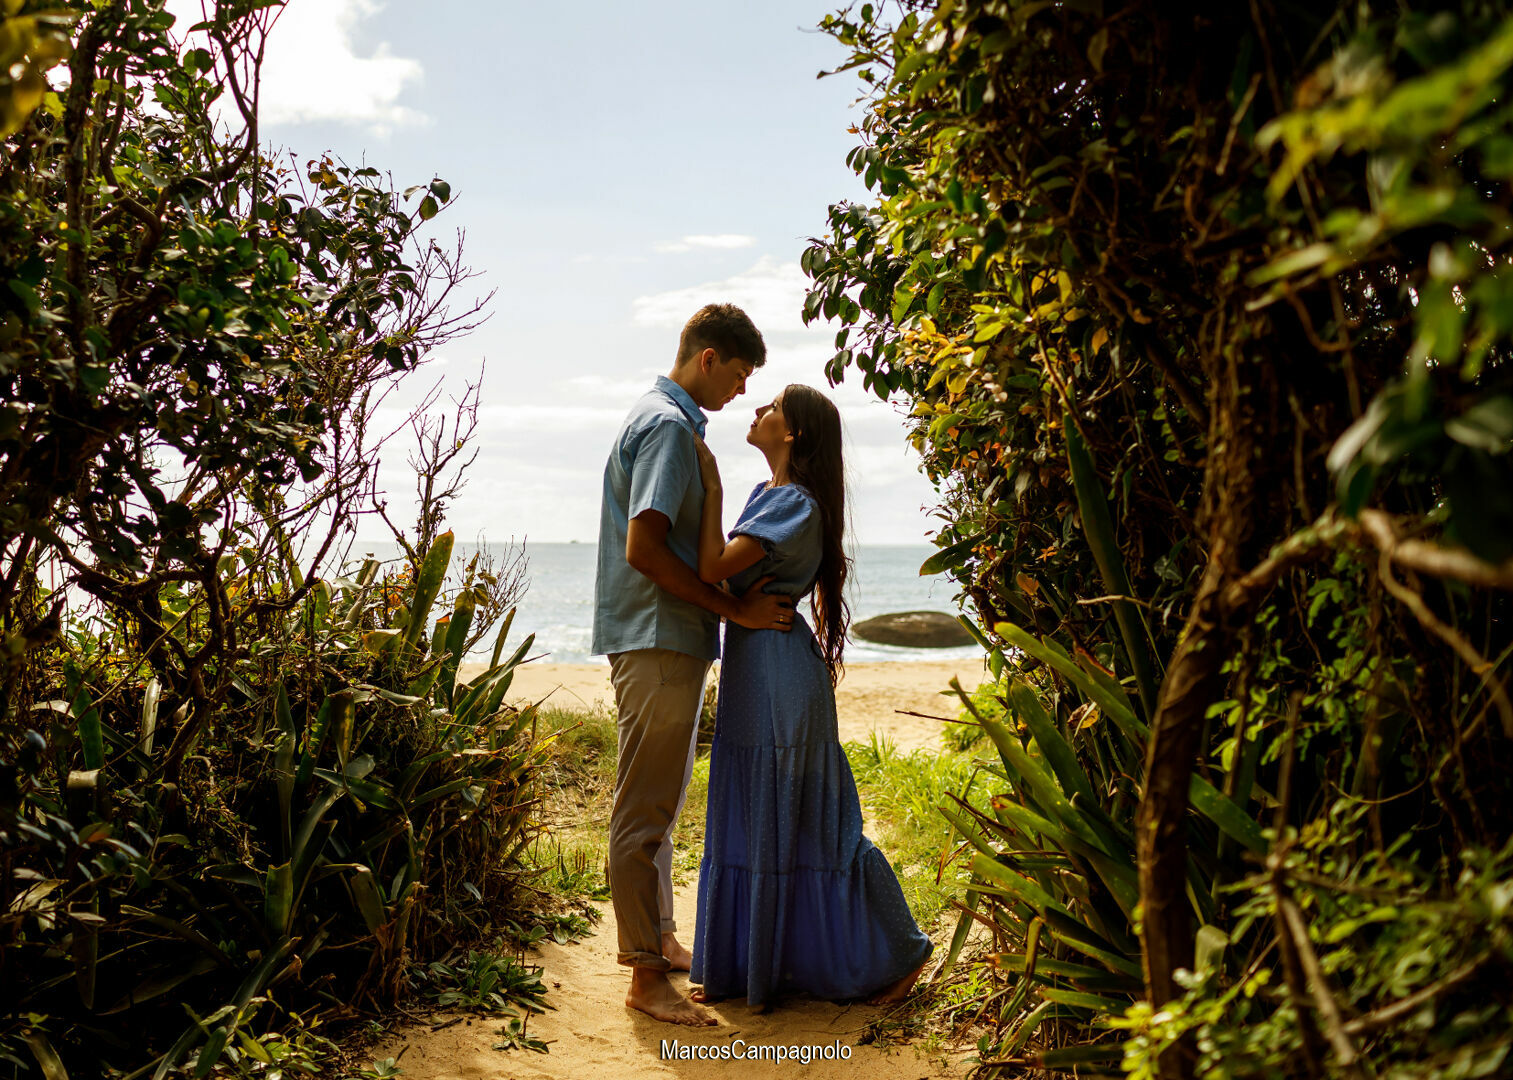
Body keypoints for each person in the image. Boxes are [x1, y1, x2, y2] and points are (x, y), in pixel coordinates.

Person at [687, 383, 933, 1009]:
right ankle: (760, 969)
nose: (756, 411)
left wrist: (710, 487)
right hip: (758, 665)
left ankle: (904, 954)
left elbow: (712, 565)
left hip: (779, 671)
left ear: (791, 433)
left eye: (768, 406)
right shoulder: (769, 496)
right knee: (762, 817)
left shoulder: (792, 502)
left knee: (821, 827)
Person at [591, 303, 795, 1028]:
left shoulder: (669, 423)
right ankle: (646, 979)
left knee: (660, 804)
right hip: (656, 635)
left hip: (664, 634)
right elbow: (642, 551)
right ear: (707, 359)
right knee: (643, 809)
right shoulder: (669, 428)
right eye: (738, 375)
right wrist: (732, 609)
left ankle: (662, 942)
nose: (741, 392)